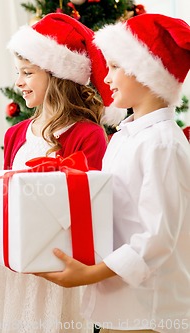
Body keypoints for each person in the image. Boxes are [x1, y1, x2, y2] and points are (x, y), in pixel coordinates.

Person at [0, 13, 122, 332]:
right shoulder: (15, 135)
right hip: (12, 271)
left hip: (55, 273)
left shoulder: (86, 135)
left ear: (58, 76)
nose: (18, 82)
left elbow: (80, 216)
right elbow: (6, 207)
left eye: (27, 73)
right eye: (18, 72)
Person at [37, 14, 190, 333]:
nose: (105, 78)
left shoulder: (161, 144)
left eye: (116, 67)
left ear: (148, 73)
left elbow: (157, 237)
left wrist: (91, 274)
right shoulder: (124, 137)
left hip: (149, 311)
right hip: (118, 305)